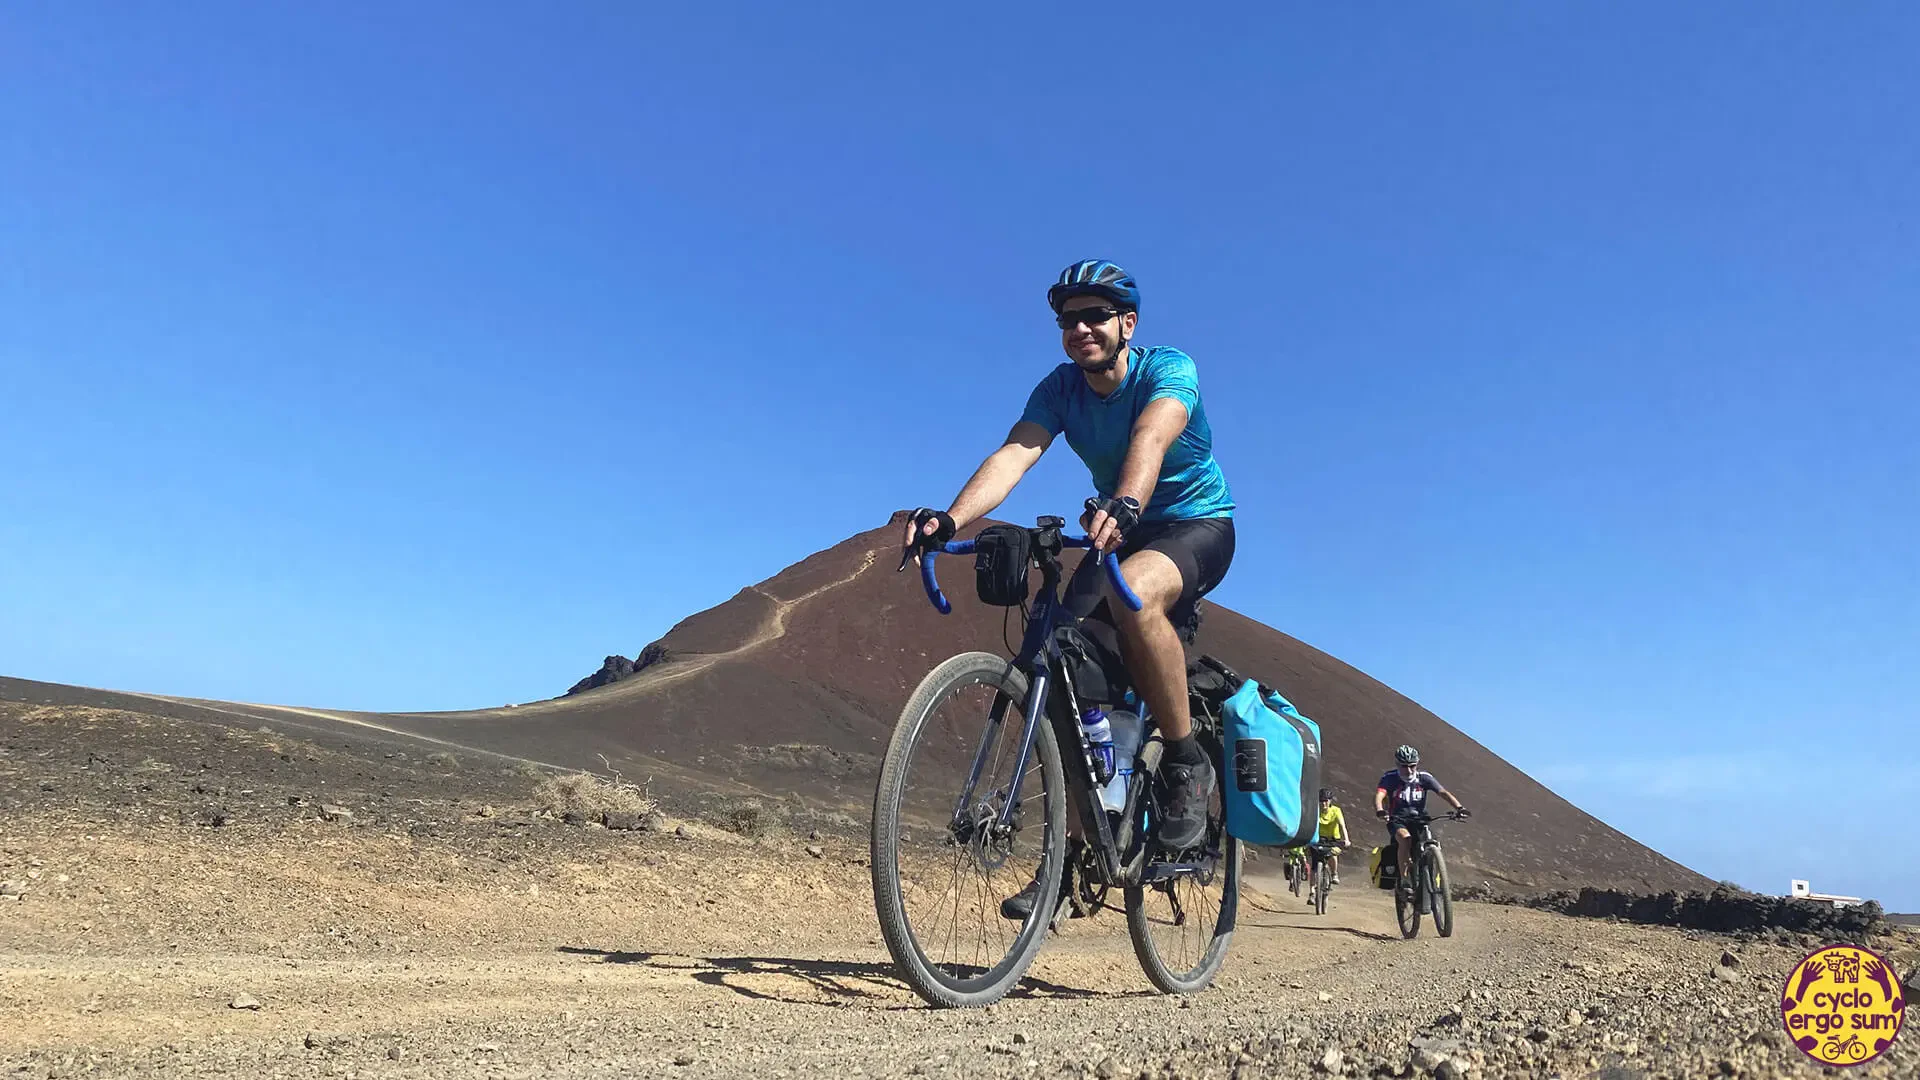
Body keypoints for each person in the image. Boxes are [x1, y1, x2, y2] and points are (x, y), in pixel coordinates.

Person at [899, 259, 1236, 921]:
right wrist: (948, 518)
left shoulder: (1168, 370)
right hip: (1119, 524)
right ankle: (1067, 861)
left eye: (1096, 316)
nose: (1080, 328)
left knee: (1134, 595)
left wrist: (1129, 500)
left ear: (1126, 324)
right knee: (1053, 669)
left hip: (1193, 525)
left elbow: (1152, 434)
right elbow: (1015, 454)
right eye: (1068, 319)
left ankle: (1189, 760)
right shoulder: (1060, 390)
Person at [1373, 745, 1468, 899]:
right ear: (1397, 765)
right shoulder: (1389, 778)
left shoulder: (1424, 777)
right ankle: (1405, 881)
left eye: (1412, 766)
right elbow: (1380, 795)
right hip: (1397, 819)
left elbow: (1442, 792)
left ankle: (1434, 879)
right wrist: (1380, 810)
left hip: (1420, 819)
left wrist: (1459, 807)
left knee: (1433, 843)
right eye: (1404, 766)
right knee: (1405, 839)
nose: (1409, 770)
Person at [1317, 788, 1350, 884]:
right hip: (1320, 838)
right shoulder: (1316, 811)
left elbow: (1342, 826)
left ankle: (1334, 874)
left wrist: (1346, 839)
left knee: (1333, 853)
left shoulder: (1336, 811)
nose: (1324, 803)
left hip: (1333, 839)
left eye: (1326, 801)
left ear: (1330, 800)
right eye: (1321, 801)